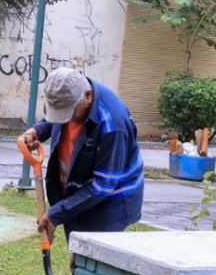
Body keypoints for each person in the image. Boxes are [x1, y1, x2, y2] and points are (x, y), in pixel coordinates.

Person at [20, 68, 144, 254]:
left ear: (87, 96)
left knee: (97, 259)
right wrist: (38, 130)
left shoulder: (112, 124)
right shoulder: (70, 96)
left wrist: (56, 214)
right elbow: (54, 118)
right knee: (78, 254)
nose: (64, 120)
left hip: (111, 199)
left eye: (68, 114)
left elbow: (103, 185)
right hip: (76, 187)